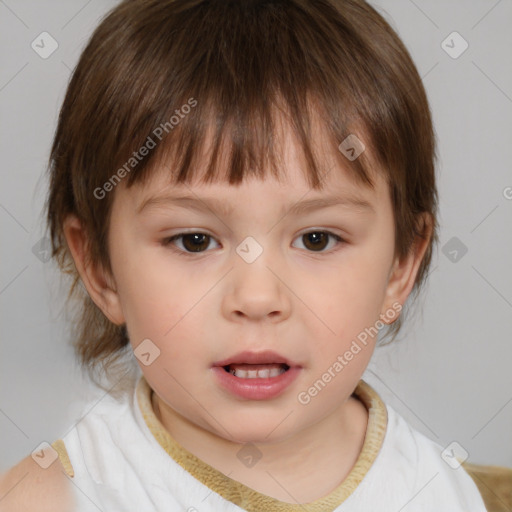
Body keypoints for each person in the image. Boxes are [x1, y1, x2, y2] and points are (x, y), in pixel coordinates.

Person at [0, 0, 488, 510]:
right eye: (194, 240)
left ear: (401, 267)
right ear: (101, 268)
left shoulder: (439, 492)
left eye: (317, 239)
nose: (257, 298)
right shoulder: (54, 497)